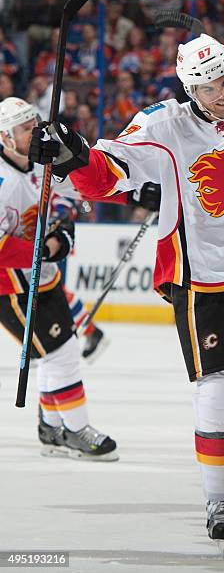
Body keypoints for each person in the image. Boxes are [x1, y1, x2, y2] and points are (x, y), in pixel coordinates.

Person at [29, 34, 224, 553]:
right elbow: (108, 176)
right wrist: (72, 155)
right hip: (203, 275)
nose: (223, 92)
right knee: (217, 391)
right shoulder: (162, 123)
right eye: (210, 85)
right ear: (189, 88)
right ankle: (222, 502)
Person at [0, 97, 118, 461]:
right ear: (5, 137)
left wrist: (63, 226)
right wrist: (46, 249)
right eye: (24, 128)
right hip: (10, 287)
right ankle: (75, 429)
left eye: (35, 122)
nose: (34, 131)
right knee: (61, 352)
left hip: (42, 278)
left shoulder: (40, 161)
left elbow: (73, 193)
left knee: (58, 351)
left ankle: (52, 427)